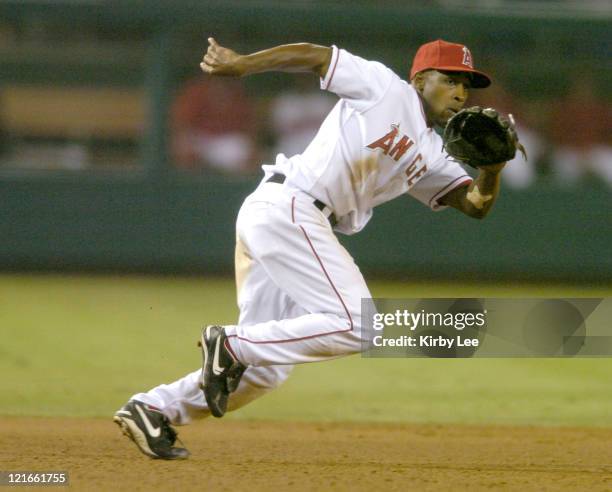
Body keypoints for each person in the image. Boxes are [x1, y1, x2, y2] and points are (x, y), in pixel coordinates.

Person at [114, 38, 510, 459]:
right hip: (290, 206)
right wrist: (244, 64)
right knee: (360, 325)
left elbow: (474, 205)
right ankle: (230, 344)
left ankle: (153, 408)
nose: (460, 94)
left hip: (295, 221)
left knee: (264, 373)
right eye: (449, 80)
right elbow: (316, 55)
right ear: (419, 78)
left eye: (466, 86)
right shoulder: (385, 88)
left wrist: (492, 169)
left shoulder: (434, 152)